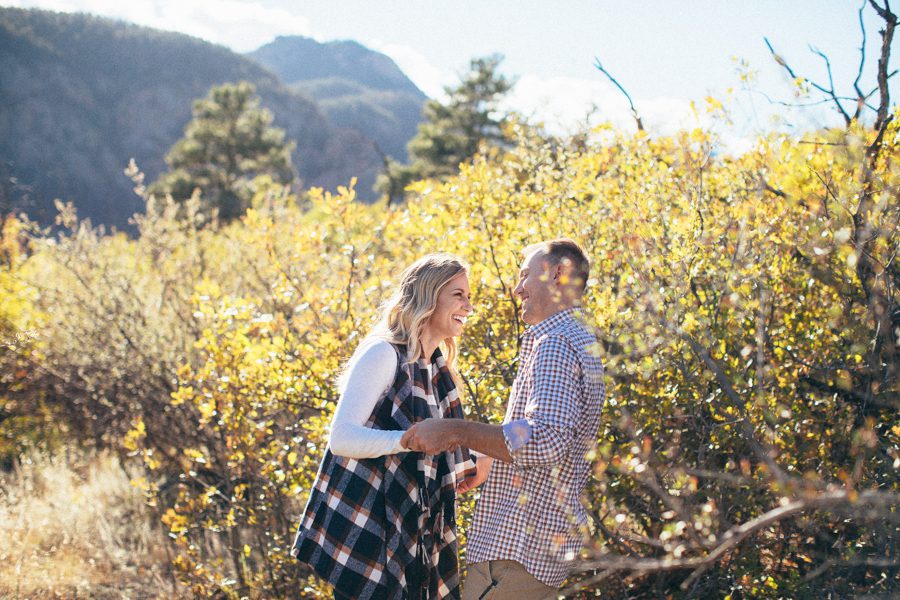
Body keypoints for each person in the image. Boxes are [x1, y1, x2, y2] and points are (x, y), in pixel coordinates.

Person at [402, 239, 605, 600]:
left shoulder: (555, 342)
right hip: (531, 551)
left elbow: (545, 440)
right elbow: (547, 433)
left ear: (557, 274)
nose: (517, 288)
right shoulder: (573, 338)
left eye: (525, 274)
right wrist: (490, 458)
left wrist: (453, 431)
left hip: (519, 550)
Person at [291, 254, 477, 600]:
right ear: (428, 295)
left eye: (468, 295)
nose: (468, 304)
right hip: (369, 527)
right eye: (458, 295)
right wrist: (410, 441)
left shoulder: (438, 370)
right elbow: (342, 438)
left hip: (413, 533)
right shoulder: (384, 353)